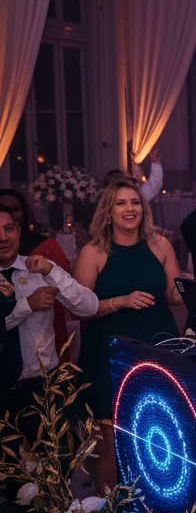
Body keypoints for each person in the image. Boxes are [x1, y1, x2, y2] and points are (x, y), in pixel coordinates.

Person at [71, 179, 182, 489]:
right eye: (120, 203)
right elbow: (78, 310)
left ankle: (154, 506)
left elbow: (172, 296)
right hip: (109, 350)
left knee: (157, 429)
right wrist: (119, 301)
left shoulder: (161, 245)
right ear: (108, 212)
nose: (129, 209)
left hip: (156, 345)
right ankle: (107, 510)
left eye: (135, 202)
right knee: (108, 434)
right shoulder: (93, 252)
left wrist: (191, 287)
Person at [0, 203, 98, 440]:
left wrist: (51, 272)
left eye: (9, 229)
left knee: (60, 459)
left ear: (19, 231)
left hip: (48, 387)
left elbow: (89, 307)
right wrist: (27, 305)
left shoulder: (38, 269)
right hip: (3, 393)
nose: (3, 238)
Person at [0, 188, 73, 353]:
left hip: (44, 339)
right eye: (3, 208)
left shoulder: (46, 245)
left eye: (15, 209)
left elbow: (68, 293)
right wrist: (27, 303)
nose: (9, 213)